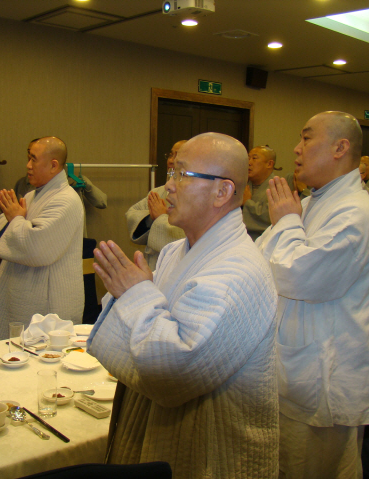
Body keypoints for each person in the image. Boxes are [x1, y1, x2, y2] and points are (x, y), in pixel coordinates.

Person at [88, 133, 279, 478]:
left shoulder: (239, 270)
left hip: (214, 450)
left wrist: (136, 294)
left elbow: (175, 370)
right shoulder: (175, 250)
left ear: (222, 192)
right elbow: (154, 324)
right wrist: (136, 293)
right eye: (171, 173)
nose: (168, 187)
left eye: (182, 175)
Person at [257, 112, 369, 479]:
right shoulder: (312, 202)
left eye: (306, 138)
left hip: (325, 381)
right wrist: (287, 223)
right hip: (298, 370)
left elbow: (300, 277)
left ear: (340, 148)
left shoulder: (356, 213)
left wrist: (286, 222)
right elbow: (261, 260)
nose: (296, 149)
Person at [0, 137, 84, 342]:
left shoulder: (67, 200)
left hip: (49, 300)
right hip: (19, 291)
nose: (28, 165)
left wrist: (16, 219)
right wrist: (16, 219)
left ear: (53, 165)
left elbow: (36, 248)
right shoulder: (30, 196)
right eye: (28, 158)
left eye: (33, 159)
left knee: (42, 353)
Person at [125, 140, 186, 270]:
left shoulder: (194, 196)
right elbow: (132, 213)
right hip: (153, 264)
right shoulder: (158, 192)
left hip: (177, 267)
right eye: (170, 155)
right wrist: (150, 218)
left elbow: (188, 238)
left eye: (177, 155)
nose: (171, 160)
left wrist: (161, 218)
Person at [242, 145, 276, 241]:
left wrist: (247, 203)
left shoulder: (277, 187)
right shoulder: (243, 185)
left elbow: (271, 218)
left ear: (269, 164)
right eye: (248, 158)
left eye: (254, 158)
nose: (249, 163)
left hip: (264, 242)